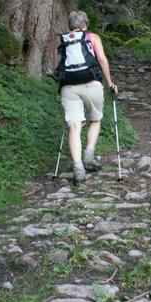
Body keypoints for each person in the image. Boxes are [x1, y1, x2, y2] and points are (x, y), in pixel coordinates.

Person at [56, 10, 118, 185]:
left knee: (74, 126)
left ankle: (78, 169)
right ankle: (89, 156)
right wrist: (110, 83)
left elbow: (59, 65)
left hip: (68, 87)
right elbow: (102, 59)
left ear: (70, 24)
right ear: (84, 24)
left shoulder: (63, 40)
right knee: (95, 119)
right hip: (92, 84)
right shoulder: (92, 37)